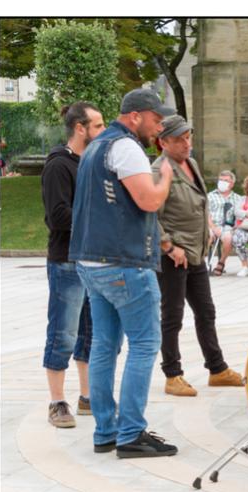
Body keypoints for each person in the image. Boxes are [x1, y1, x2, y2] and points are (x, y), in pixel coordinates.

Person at [70, 88, 178, 458]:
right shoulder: (127, 147)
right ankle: (131, 433)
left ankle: (106, 431)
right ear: (136, 116)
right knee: (146, 344)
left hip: (90, 262)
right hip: (123, 263)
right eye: (156, 118)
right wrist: (164, 177)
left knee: (104, 345)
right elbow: (148, 199)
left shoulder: (96, 147)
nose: (160, 126)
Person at [153, 115, 244, 398]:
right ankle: (173, 374)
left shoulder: (189, 163)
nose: (186, 143)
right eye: (179, 139)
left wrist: (208, 228)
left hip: (196, 253)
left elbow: (198, 204)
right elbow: (148, 216)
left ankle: (217, 369)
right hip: (173, 256)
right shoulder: (159, 170)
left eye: (188, 136)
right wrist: (168, 246)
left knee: (206, 312)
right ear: (163, 142)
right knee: (172, 316)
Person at [41, 101, 105, 427]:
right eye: (97, 125)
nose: (103, 131)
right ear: (80, 128)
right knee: (63, 333)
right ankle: (57, 402)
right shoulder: (58, 166)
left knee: (90, 334)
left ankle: (87, 397)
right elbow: (58, 216)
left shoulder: (92, 163)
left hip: (93, 262)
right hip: (66, 262)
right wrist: (99, 218)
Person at [207, 170, 243, 276]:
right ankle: (202, 264)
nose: (222, 182)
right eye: (220, 180)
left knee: (228, 238)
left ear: (232, 184)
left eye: (226, 180)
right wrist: (213, 228)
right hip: (211, 225)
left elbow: (239, 217)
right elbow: (205, 214)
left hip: (228, 226)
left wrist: (234, 227)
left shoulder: (238, 198)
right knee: (207, 235)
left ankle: (221, 263)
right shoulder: (209, 196)